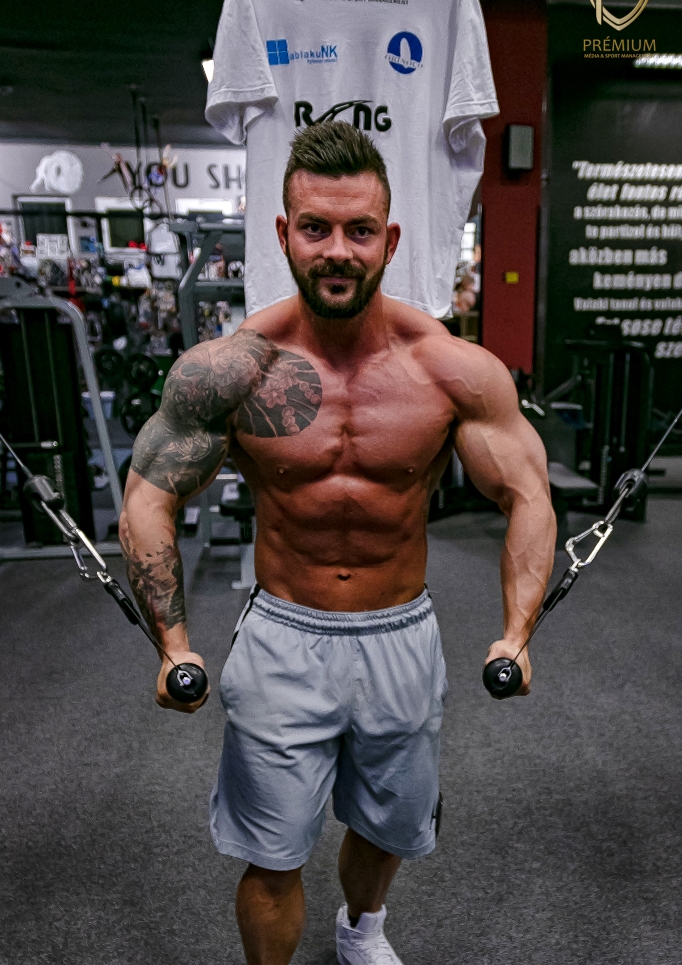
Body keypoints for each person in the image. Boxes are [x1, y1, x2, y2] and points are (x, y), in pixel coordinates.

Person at [120, 121, 556, 965]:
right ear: (284, 234)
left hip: (402, 634)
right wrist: (172, 642)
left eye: (359, 231)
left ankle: (362, 930)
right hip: (285, 635)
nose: (337, 251)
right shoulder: (231, 370)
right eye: (316, 228)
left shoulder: (451, 370)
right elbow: (149, 495)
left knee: (389, 823)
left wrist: (517, 630)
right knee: (272, 850)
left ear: (389, 240)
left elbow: (527, 494)